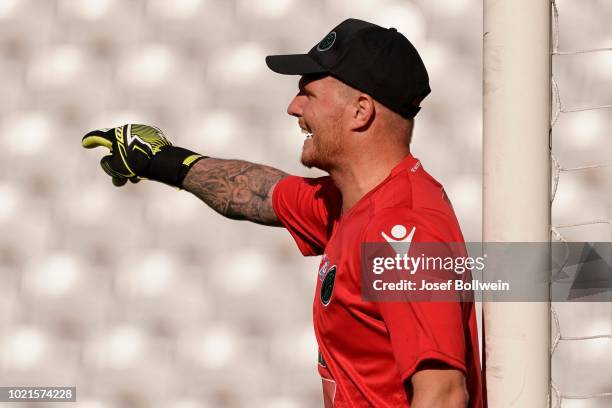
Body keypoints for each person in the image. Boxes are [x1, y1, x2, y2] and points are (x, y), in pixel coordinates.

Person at [82, 18, 484, 408]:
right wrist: (162, 160)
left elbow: (443, 395)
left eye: (307, 93)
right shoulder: (351, 202)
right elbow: (254, 190)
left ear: (360, 111)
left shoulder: (401, 229)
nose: (293, 107)